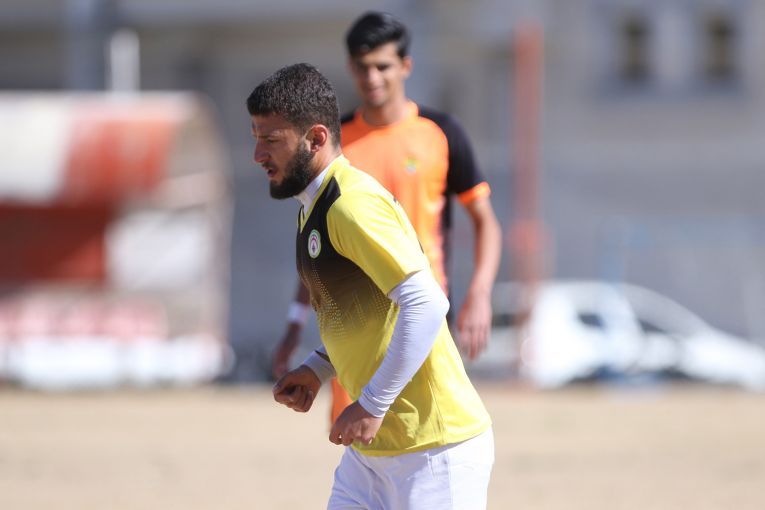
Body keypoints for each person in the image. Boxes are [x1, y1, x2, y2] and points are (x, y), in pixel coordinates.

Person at [249, 63, 494, 509]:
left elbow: (426, 305)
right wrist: (318, 368)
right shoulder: (314, 207)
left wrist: (371, 404)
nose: (257, 154)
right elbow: (365, 315)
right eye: (255, 137)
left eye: (271, 139)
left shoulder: (352, 205)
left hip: (434, 451)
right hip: (372, 455)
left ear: (316, 138)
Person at [271, 11, 502, 422]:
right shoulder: (332, 141)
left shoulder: (441, 132)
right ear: (350, 67)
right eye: (363, 67)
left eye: (383, 66)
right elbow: (316, 240)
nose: (372, 77)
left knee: (424, 427)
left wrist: (480, 293)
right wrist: (295, 322)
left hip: (420, 309)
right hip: (353, 315)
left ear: (405, 66)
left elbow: (485, 220)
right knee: (354, 430)